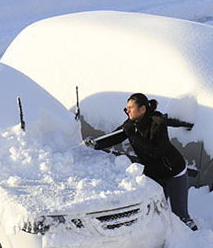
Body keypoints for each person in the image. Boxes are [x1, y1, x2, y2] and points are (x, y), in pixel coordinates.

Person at [84, 93, 198, 231]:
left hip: (174, 172)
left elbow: (156, 151)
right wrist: (96, 144)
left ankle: (194, 239)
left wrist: (133, 135)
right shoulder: (131, 124)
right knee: (154, 213)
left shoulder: (157, 122)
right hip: (155, 174)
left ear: (142, 109)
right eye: (126, 108)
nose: (127, 111)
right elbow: (114, 137)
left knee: (180, 215)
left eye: (131, 108)